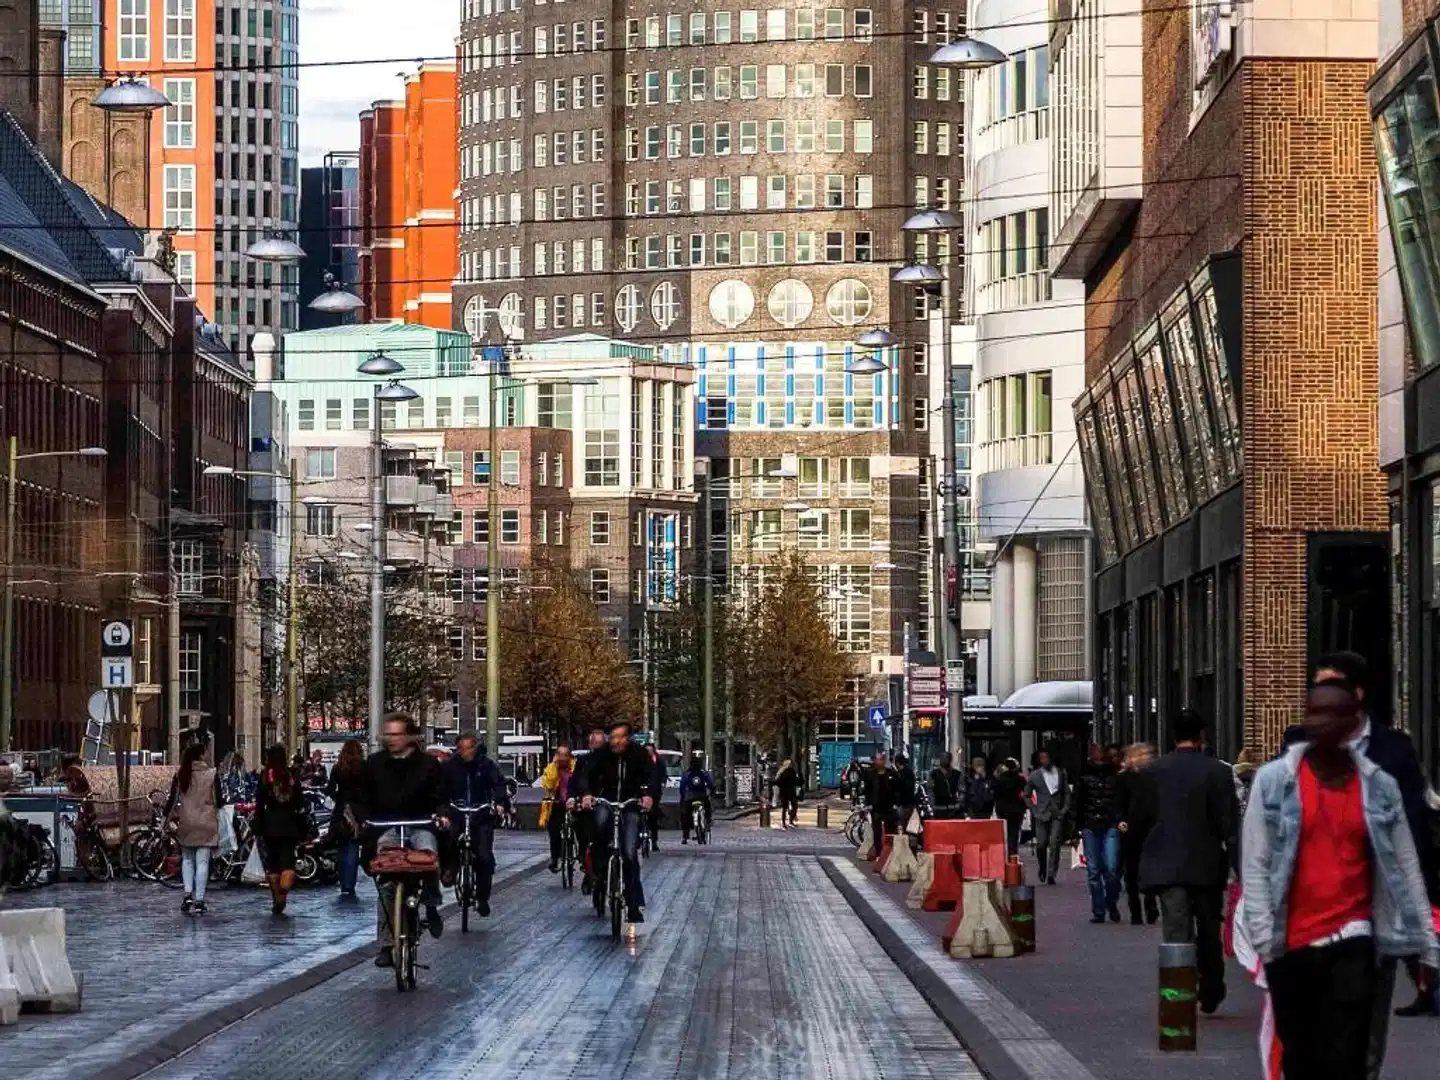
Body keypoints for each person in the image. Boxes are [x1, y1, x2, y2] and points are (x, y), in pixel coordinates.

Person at [1242, 682, 1437, 1080]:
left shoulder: (1379, 787)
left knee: (1347, 1059)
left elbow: (1405, 865)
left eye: (1333, 715)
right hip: (1290, 944)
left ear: (1353, 724)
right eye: (1315, 714)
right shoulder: (1275, 781)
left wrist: (1426, 945)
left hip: (1354, 939)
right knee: (1301, 1060)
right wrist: (1263, 937)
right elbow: (1256, 861)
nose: (1322, 724)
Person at [1134, 708, 1238, 1014]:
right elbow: (1229, 824)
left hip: (1166, 863)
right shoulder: (1217, 771)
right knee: (1209, 927)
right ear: (1201, 736)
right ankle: (1212, 985)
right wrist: (1238, 865)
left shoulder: (1152, 772)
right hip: (1206, 863)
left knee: (1176, 930)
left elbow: (1140, 821)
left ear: (1173, 736)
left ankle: (1179, 990)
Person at [360, 713, 450, 966]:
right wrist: (363, 818)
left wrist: (441, 815)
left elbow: (440, 795)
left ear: (410, 736)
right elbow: (364, 796)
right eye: (388, 734)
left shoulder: (428, 764)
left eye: (397, 734)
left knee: (428, 855)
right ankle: (387, 944)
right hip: (388, 826)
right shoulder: (375, 764)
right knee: (385, 881)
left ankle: (431, 904)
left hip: (420, 824)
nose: (391, 739)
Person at [576, 721, 654, 923]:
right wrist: (587, 794)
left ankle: (633, 904)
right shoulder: (601, 754)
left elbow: (652, 777)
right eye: (613, 737)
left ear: (628, 739)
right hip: (606, 801)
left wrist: (648, 795)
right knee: (599, 823)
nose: (615, 741)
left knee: (629, 852)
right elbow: (586, 774)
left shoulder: (640, 755)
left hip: (630, 804)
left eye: (620, 737)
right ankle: (598, 870)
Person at [441, 731, 504, 916]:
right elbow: (440, 790)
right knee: (447, 839)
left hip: (480, 813)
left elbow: (498, 784)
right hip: (457, 812)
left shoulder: (487, 765)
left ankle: (482, 897)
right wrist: (443, 812)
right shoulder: (449, 766)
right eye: (461, 749)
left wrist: (499, 803)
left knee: (484, 856)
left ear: (475, 748)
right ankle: (450, 869)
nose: (465, 753)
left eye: (468, 749)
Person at [253, 744, 311, 917]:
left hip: (270, 825)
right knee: (288, 863)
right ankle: (283, 892)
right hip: (289, 825)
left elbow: (259, 803)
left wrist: (257, 826)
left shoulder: (265, 777)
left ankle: (277, 897)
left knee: (272, 865)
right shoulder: (291, 776)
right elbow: (300, 803)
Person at [164, 742, 220, 915]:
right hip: (206, 823)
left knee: (187, 859)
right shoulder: (212, 774)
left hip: (187, 822)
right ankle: (200, 900)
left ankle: (187, 895)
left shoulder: (181, 774)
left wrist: (165, 818)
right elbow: (219, 800)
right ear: (202, 755)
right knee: (202, 862)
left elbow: (172, 799)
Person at [1074, 742, 1123, 924]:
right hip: (1091, 825)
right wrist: (1074, 829)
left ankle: (1110, 902)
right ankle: (1099, 909)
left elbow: (1120, 800)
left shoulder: (1115, 776)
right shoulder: (1085, 776)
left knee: (1111, 868)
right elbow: (1077, 803)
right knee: (1094, 870)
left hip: (1109, 824)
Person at [1116, 742, 1159, 925]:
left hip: (1152, 827)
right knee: (1132, 871)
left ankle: (1150, 903)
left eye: (1147, 755)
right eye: (1141, 755)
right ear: (1132, 758)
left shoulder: (1155, 776)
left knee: (1151, 868)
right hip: (1131, 829)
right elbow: (1119, 802)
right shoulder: (1124, 778)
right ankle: (1135, 910)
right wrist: (1121, 820)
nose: (1145, 758)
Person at [325, 739, 366, 898]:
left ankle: (344, 883)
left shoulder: (338, 768)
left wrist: (340, 799)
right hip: (358, 812)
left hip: (341, 811)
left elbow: (330, 789)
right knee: (353, 846)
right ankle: (350, 883)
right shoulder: (363, 767)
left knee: (342, 847)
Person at [1022, 748, 1070, 884]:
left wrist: (1065, 808)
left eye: (1046, 757)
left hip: (1057, 813)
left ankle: (1051, 873)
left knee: (1054, 842)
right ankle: (1042, 867)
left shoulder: (1060, 773)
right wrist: (1033, 809)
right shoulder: (1035, 775)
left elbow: (1066, 792)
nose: (1044, 760)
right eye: (1042, 758)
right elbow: (1026, 794)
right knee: (1041, 844)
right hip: (1041, 813)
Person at [574, 728, 608, 894]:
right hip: (588, 805)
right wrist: (575, 798)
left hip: (607, 804)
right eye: (594, 743)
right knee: (584, 832)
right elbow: (577, 780)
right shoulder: (583, 761)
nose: (596, 747)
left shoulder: (612, 762)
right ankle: (588, 868)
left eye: (600, 744)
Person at [540, 743, 576, 872]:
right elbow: (549, 785)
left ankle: (580, 855)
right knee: (554, 831)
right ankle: (555, 858)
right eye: (560, 755)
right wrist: (553, 767)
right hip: (556, 805)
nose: (562, 758)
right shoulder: (551, 769)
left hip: (574, 804)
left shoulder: (575, 768)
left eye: (565, 755)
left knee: (580, 828)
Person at [863, 751, 897, 859]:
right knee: (877, 830)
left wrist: (895, 802)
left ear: (884, 761)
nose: (879, 762)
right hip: (876, 806)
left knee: (890, 829)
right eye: (877, 760)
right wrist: (868, 803)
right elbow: (867, 790)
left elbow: (896, 789)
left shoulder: (891, 773)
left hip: (889, 806)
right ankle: (878, 851)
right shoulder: (870, 774)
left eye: (881, 760)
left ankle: (889, 851)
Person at [992, 757, 1027, 856]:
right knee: (1014, 831)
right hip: (1016, 809)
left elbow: (995, 793)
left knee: (1005, 831)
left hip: (1002, 809)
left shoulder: (1000, 779)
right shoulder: (1021, 779)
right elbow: (1025, 793)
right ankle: (1013, 852)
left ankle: (1005, 852)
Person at [679, 754, 716, 843]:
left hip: (690, 798)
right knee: (707, 808)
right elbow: (710, 784)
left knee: (685, 815)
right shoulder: (704, 773)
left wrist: (683, 797)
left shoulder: (686, 773)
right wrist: (712, 792)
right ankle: (708, 822)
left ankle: (685, 836)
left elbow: (682, 787)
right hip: (702, 796)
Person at [893, 753, 918, 833]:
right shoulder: (909, 772)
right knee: (906, 823)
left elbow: (901, 788)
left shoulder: (901, 773)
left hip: (903, 803)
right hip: (909, 802)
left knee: (901, 823)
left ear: (897, 763)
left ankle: (902, 836)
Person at [963, 756, 995, 820]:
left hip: (987, 810)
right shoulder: (967, 778)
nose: (979, 767)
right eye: (976, 764)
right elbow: (965, 795)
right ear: (972, 765)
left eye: (981, 764)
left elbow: (991, 795)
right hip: (972, 810)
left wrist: (984, 778)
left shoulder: (990, 778)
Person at [774, 758, 801, 828]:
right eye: (788, 764)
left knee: (794, 805)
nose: (790, 765)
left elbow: (796, 780)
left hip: (790, 791)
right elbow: (777, 781)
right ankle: (784, 823)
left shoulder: (792, 771)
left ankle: (791, 820)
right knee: (785, 808)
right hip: (784, 791)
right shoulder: (781, 772)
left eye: (790, 764)